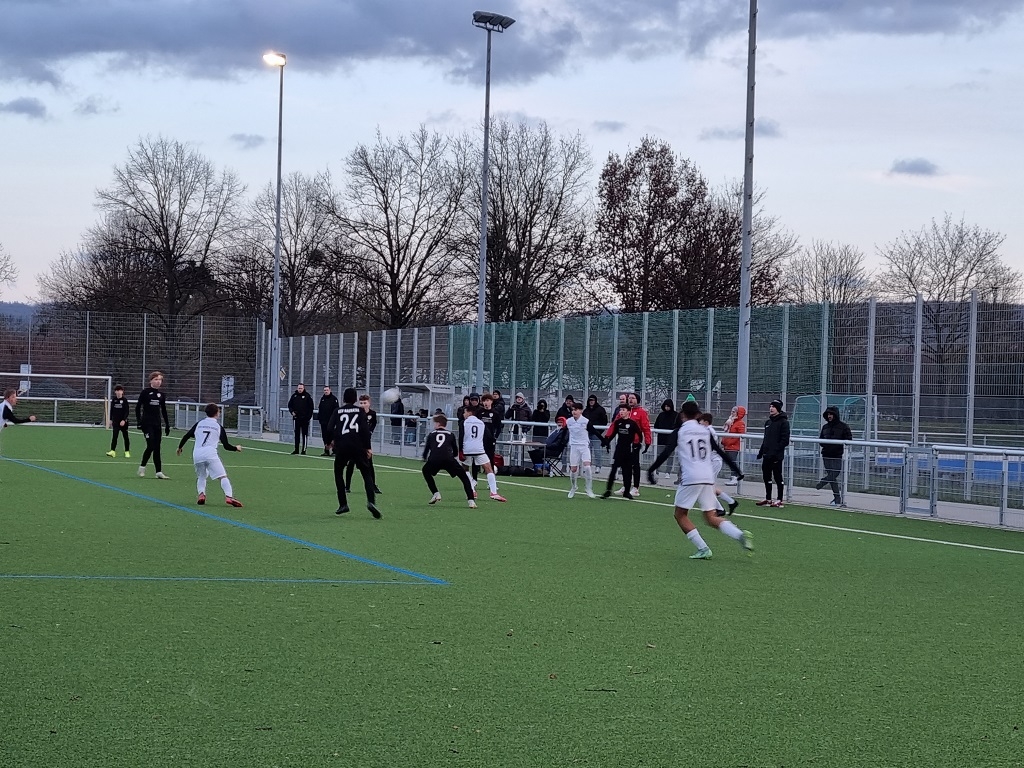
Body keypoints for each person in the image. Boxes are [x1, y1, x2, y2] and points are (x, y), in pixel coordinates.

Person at [647, 400, 752, 560]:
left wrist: (651, 470)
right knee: (710, 517)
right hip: (707, 476)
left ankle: (703, 548)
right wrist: (736, 470)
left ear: (682, 414)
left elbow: (666, 452)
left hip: (691, 477)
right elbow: (720, 452)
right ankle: (739, 535)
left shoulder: (679, 431)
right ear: (697, 415)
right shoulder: (705, 431)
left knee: (680, 514)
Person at [325, 387, 381, 518]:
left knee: (338, 472)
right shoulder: (360, 411)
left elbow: (329, 428)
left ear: (344, 398)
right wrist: (368, 447)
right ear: (355, 399)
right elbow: (365, 430)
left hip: (342, 446)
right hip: (357, 446)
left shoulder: (338, 411)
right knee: (366, 473)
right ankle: (371, 501)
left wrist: (329, 442)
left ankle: (343, 504)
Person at [176, 403, 244, 508]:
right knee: (222, 477)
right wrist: (236, 448)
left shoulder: (199, 424)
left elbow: (187, 436)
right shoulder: (218, 427)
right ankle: (229, 497)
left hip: (197, 454)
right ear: (217, 413)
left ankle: (201, 494)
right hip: (210, 454)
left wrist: (180, 447)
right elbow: (226, 446)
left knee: (201, 477)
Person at [422, 414, 477, 508]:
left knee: (425, 471)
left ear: (438, 423)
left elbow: (426, 450)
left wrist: (425, 458)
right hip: (448, 459)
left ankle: (436, 493)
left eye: (434, 423)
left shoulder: (431, 434)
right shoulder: (450, 434)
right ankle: (471, 501)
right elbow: (455, 450)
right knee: (464, 477)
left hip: (434, 459)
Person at [461, 404, 506, 502]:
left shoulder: (464, 423)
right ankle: (494, 492)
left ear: (469, 413)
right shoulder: (481, 423)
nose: (463, 414)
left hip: (467, 449)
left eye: (464, 412)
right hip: (479, 449)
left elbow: (461, 436)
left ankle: (472, 490)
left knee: (465, 469)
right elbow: (489, 436)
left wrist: (460, 450)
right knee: (489, 468)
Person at [698, 412, 739, 516]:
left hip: (714, 461)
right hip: (711, 461)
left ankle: (721, 507)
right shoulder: (706, 431)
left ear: (706, 422)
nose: (699, 423)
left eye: (701, 421)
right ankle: (729, 503)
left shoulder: (708, 431)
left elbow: (708, 448)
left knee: (706, 486)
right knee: (707, 486)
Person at [600, 405, 641, 499]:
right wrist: (607, 442)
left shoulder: (632, 424)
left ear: (628, 412)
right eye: (620, 410)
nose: (621, 412)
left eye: (623, 410)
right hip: (619, 450)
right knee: (613, 470)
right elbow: (613, 434)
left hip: (628, 451)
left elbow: (639, 434)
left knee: (627, 472)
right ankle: (608, 490)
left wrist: (637, 445)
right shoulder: (618, 422)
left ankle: (626, 492)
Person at [816, 405, 853, 507]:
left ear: (835, 415)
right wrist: (826, 445)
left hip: (837, 455)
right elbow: (821, 440)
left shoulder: (844, 426)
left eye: (831, 414)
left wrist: (838, 445)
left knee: (835, 473)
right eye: (828, 414)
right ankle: (837, 498)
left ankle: (823, 482)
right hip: (826, 454)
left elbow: (849, 439)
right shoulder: (825, 427)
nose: (829, 416)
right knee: (832, 476)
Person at [756, 399, 790, 508]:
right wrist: (761, 452)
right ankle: (768, 498)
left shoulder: (784, 422)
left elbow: (785, 440)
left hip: (776, 456)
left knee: (777, 476)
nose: (771, 408)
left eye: (774, 407)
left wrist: (775, 451)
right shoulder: (768, 422)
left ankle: (779, 499)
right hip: (767, 455)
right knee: (766, 476)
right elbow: (766, 439)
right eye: (770, 406)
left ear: (778, 408)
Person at [345, 394, 382, 495]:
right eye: (361, 403)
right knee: (351, 464)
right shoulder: (356, 413)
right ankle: (347, 486)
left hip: (365, 443)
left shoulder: (372, 414)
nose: (363, 405)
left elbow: (373, 423)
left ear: (369, 403)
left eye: (365, 403)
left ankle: (373, 486)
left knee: (370, 465)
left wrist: (369, 431)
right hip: (355, 442)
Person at [136, 371, 171, 479]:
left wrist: (167, 425)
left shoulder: (161, 395)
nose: (158, 382)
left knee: (157, 447)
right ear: (151, 381)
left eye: (160, 380)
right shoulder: (145, 392)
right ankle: (142, 467)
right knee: (150, 445)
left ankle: (158, 472)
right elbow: (138, 407)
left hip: (157, 424)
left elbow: (164, 410)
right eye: (156, 379)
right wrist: (139, 422)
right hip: (147, 424)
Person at [623, 392, 653, 495]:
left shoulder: (641, 412)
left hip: (635, 442)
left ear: (637, 400)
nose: (630, 400)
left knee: (634, 465)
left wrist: (648, 441)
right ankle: (625, 485)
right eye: (629, 398)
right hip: (624, 442)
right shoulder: (625, 411)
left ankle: (635, 487)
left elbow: (646, 428)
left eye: (633, 398)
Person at [565, 402, 596, 498]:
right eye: (573, 410)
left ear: (581, 411)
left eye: (576, 410)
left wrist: (604, 441)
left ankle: (588, 488)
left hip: (584, 446)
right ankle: (573, 487)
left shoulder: (585, 421)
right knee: (573, 469)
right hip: (574, 447)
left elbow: (594, 431)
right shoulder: (569, 421)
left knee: (587, 467)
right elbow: (564, 432)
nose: (574, 412)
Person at [1, 390, 37, 468]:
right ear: (8, 398)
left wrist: (3, 423)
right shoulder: (6, 408)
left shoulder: (3, 405)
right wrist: (29, 419)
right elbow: (15, 421)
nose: (16, 399)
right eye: (13, 397)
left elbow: (3, 416)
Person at [653, 399, 680, 483]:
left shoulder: (676, 415)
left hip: (671, 440)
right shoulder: (661, 415)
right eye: (665, 406)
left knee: (670, 456)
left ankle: (668, 472)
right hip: (661, 439)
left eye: (668, 406)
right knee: (659, 455)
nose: (667, 408)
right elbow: (656, 425)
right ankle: (657, 470)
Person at [721, 405, 747, 485]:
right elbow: (726, 432)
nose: (732, 413)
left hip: (733, 447)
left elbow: (740, 435)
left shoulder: (740, 423)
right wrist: (723, 442)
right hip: (727, 445)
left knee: (732, 462)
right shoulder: (730, 421)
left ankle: (734, 478)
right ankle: (734, 477)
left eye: (734, 411)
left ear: (738, 413)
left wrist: (729, 442)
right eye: (732, 411)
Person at [582, 395, 608, 472]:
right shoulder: (586, 410)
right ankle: (587, 466)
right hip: (587, 433)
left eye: (593, 400)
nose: (591, 401)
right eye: (590, 400)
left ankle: (598, 466)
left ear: (595, 400)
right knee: (587, 451)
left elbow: (604, 421)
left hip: (596, 434)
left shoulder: (601, 410)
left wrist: (599, 432)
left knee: (597, 451)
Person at [288, 383, 315, 455]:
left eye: (301, 388)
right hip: (296, 419)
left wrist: (308, 417)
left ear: (303, 388)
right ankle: (296, 449)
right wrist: (292, 412)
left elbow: (311, 407)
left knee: (304, 434)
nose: (300, 390)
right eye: (299, 388)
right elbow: (290, 405)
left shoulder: (307, 396)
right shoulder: (294, 396)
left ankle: (304, 450)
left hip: (305, 419)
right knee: (296, 434)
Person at [106, 384, 131, 458]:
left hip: (123, 422)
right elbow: (112, 410)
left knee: (125, 437)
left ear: (122, 392)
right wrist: (110, 419)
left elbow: (127, 411)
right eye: (117, 390)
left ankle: (127, 451)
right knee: (114, 436)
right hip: (116, 422)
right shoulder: (114, 400)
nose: (119, 392)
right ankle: (112, 451)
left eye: (120, 390)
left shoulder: (124, 400)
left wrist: (124, 420)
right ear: (115, 392)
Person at [317, 385, 340, 456]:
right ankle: (326, 451)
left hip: (331, 422)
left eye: (327, 390)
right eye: (325, 390)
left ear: (330, 390)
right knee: (325, 436)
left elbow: (336, 411)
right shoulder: (322, 399)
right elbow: (320, 409)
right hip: (323, 422)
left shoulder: (334, 399)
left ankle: (334, 450)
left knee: (332, 436)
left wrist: (335, 421)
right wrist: (320, 418)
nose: (326, 391)